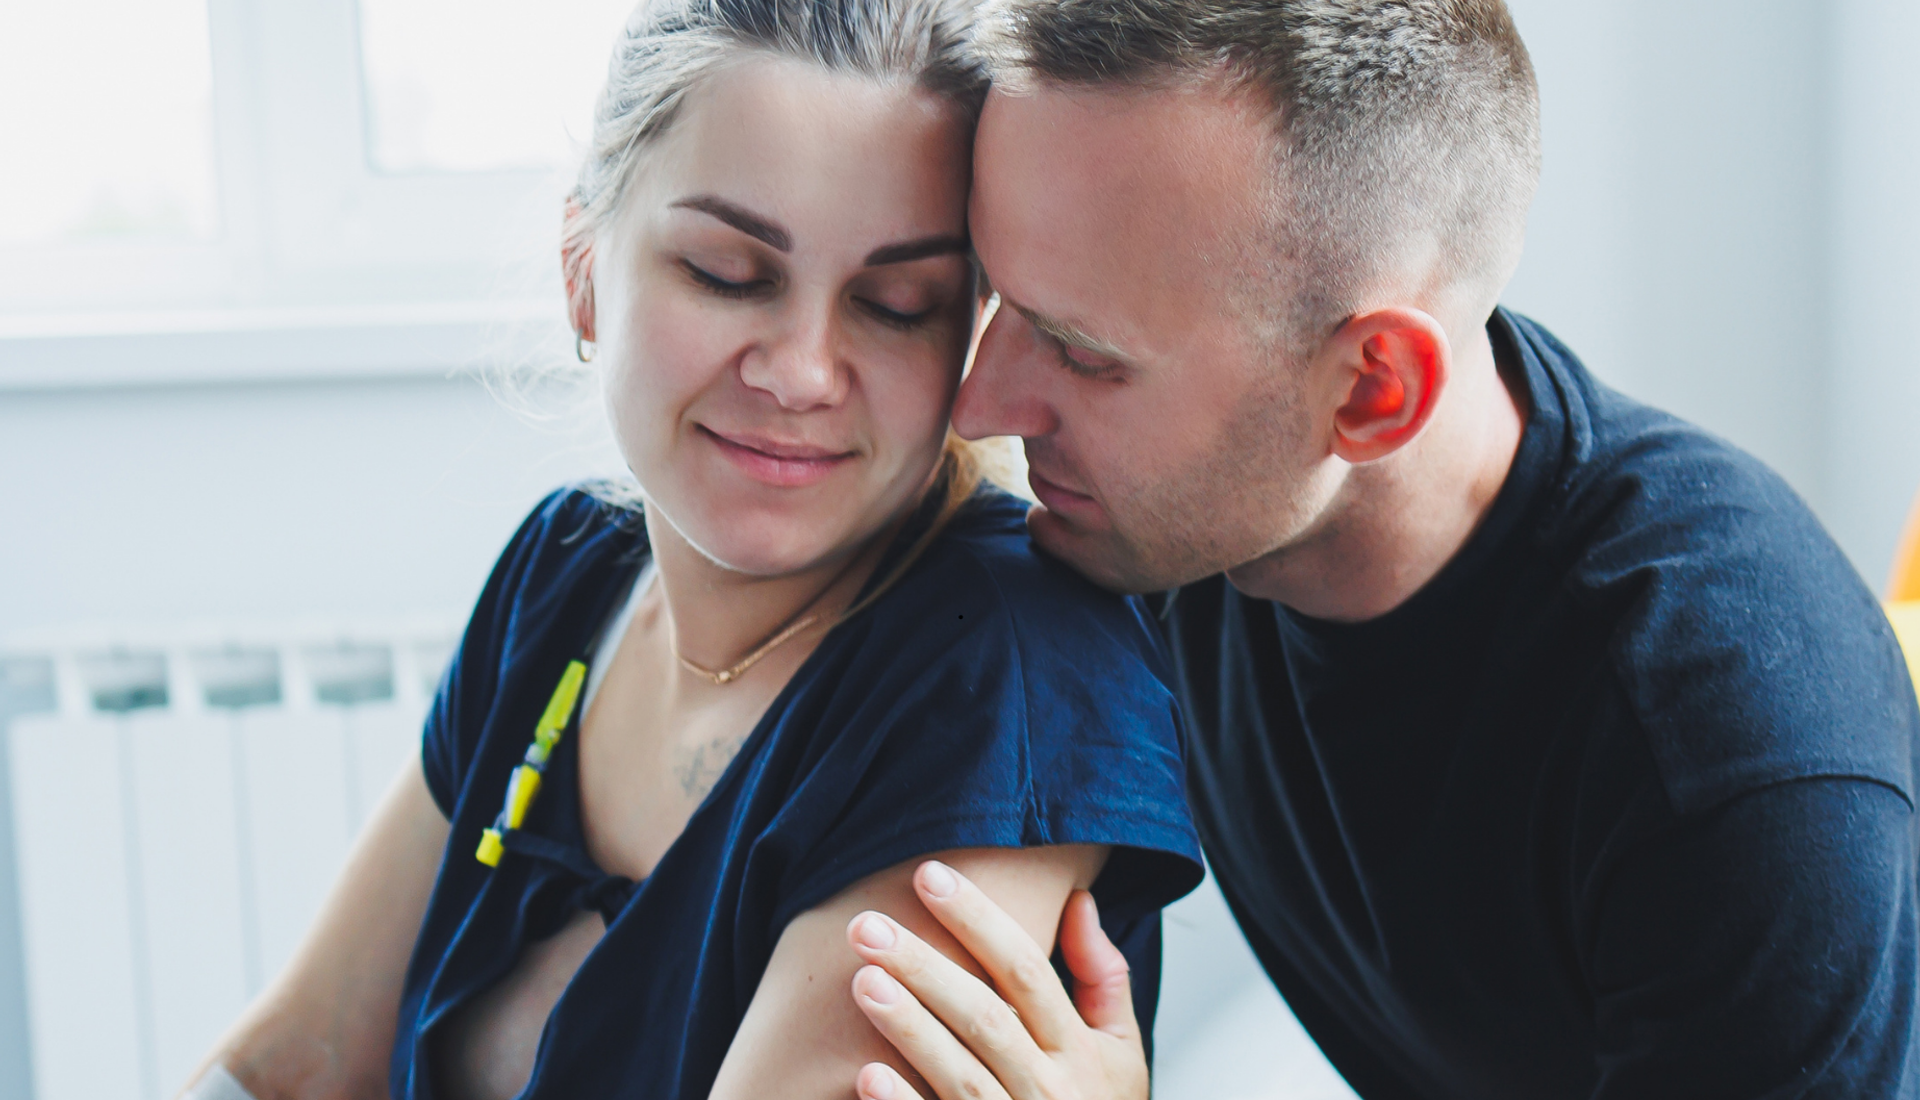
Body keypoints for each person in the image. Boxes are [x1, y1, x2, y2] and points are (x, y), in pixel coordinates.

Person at [845, 1, 1920, 1098]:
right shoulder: (1174, 517)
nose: (980, 402)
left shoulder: (1734, 772)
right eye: (997, 298)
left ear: (1373, 389)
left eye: (1080, 351)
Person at [179, 2, 1205, 1098]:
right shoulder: (565, 569)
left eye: (899, 303)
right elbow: (297, 1058)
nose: (804, 372)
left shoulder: (1007, 674)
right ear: (582, 269)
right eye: (728, 271)